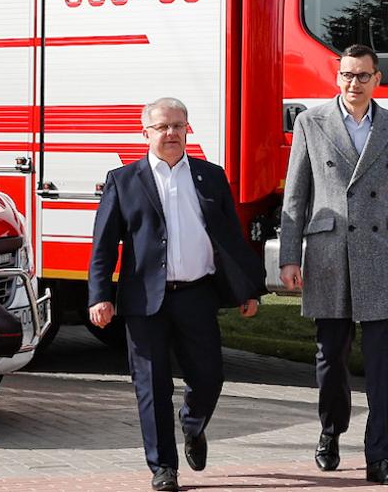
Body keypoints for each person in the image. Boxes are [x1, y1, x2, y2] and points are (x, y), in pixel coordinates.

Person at [88, 97, 267, 492]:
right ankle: (163, 467)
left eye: (178, 125)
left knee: (210, 377)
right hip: (144, 301)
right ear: (146, 133)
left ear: (188, 129)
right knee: (151, 386)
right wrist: (99, 296)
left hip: (197, 294)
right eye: (163, 126)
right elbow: (104, 245)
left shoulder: (211, 176)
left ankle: (193, 423)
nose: (171, 133)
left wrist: (247, 288)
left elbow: (231, 240)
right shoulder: (123, 180)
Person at [279, 44, 388, 486]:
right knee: (330, 358)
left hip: (382, 252)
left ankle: (380, 458)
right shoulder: (311, 122)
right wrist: (288, 257)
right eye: (346, 75)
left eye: (362, 75)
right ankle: (331, 429)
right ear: (336, 77)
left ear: (378, 79)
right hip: (328, 252)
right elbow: (296, 195)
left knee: (381, 365)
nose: (353, 83)